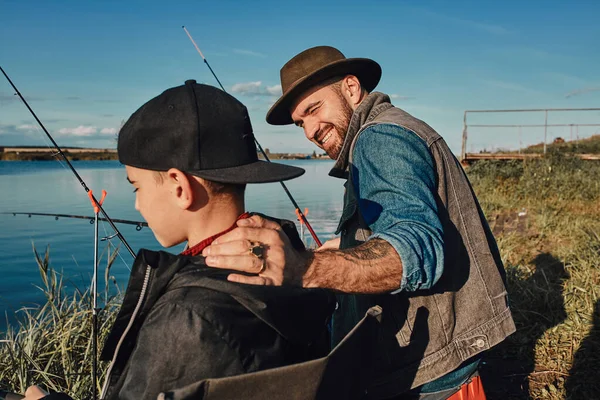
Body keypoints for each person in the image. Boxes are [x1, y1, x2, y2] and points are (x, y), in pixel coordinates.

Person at [200, 46, 516, 399]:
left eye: (314, 109)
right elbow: (405, 222)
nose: (309, 132)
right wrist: (349, 248)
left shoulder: (378, 139)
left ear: (351, 88)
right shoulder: (393, 127)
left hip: (430, 374)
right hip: (443, 357)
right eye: (300, 122)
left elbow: (415, 249)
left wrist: (305, 268)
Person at [22, 80, 335, 400]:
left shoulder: (188, 315)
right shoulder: (292, 262)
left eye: (136, 187)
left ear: (179, 188)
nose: (137, 204)